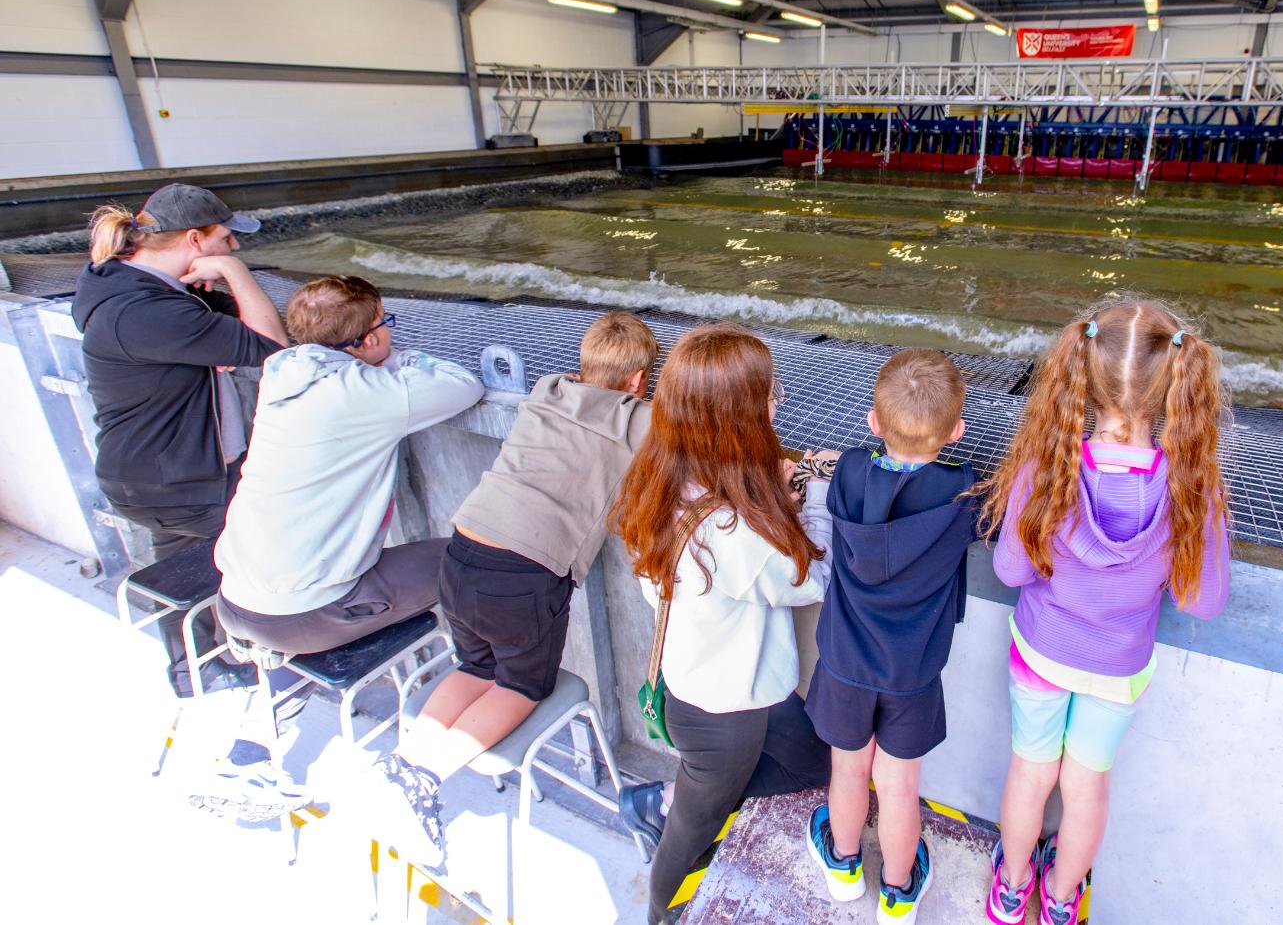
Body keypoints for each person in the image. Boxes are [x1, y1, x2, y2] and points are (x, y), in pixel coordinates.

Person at [368, 311, 658, 867]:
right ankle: (422, 779)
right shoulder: (637, 419)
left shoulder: (549, 391)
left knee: (475, 668)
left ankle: (405, 759)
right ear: (638, 382)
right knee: (524, 686)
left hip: (463, 552)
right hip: (524, 576)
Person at [973, 299, 1231, 925]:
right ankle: (1061, 901)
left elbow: (1010, 570)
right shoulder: (1190, 486)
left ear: (1082, 373)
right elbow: (1203, 600)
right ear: (1177, 384)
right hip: (1118, 668)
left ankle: (1011, 889)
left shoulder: (1048, 469)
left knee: (1031, 774)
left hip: (1041, 652)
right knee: (1085, 786)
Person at [199, 275, 483, 815]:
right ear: (369, 340)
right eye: (384, 325)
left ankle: (251, 755)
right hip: (302, 613)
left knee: (299, 601)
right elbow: (462, 383)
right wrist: (395, 361)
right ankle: (478, 697)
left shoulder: (281, 374)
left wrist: (377, 359)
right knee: (477, 559)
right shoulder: (366, 394)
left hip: (235, 600)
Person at [611, 324, 833, 925]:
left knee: (814, 766)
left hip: (718, 686)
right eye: (768, 393)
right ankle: (661, 907)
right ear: (736, 416)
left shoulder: (660, 476)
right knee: (692, 828)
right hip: (724, 715)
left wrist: (773, 498)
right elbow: (814, 580)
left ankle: (677, 793)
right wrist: (809, 493)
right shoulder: (731, 529)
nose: (777, 402)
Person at [71, 184, 287, 696]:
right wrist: (237, 276)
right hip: (179, 480)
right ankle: (264, 659)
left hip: (152, 473)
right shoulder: (146, 310)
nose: (234, 249)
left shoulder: (125, 285)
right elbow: (272, 347)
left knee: (184, 573)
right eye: (227, 239)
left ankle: (196, 670)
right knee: (263, 553)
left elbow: (222, 327)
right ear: (195, 239)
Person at [804, 349, 977, 925]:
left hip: (846, 661)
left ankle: (845, 866)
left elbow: (851, 473)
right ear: (956, 432)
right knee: (900, 790)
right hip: (912, 672)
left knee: (847, 771)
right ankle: (899, 893)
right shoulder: (962, 497)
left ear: (874, 423)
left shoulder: (851, 471)